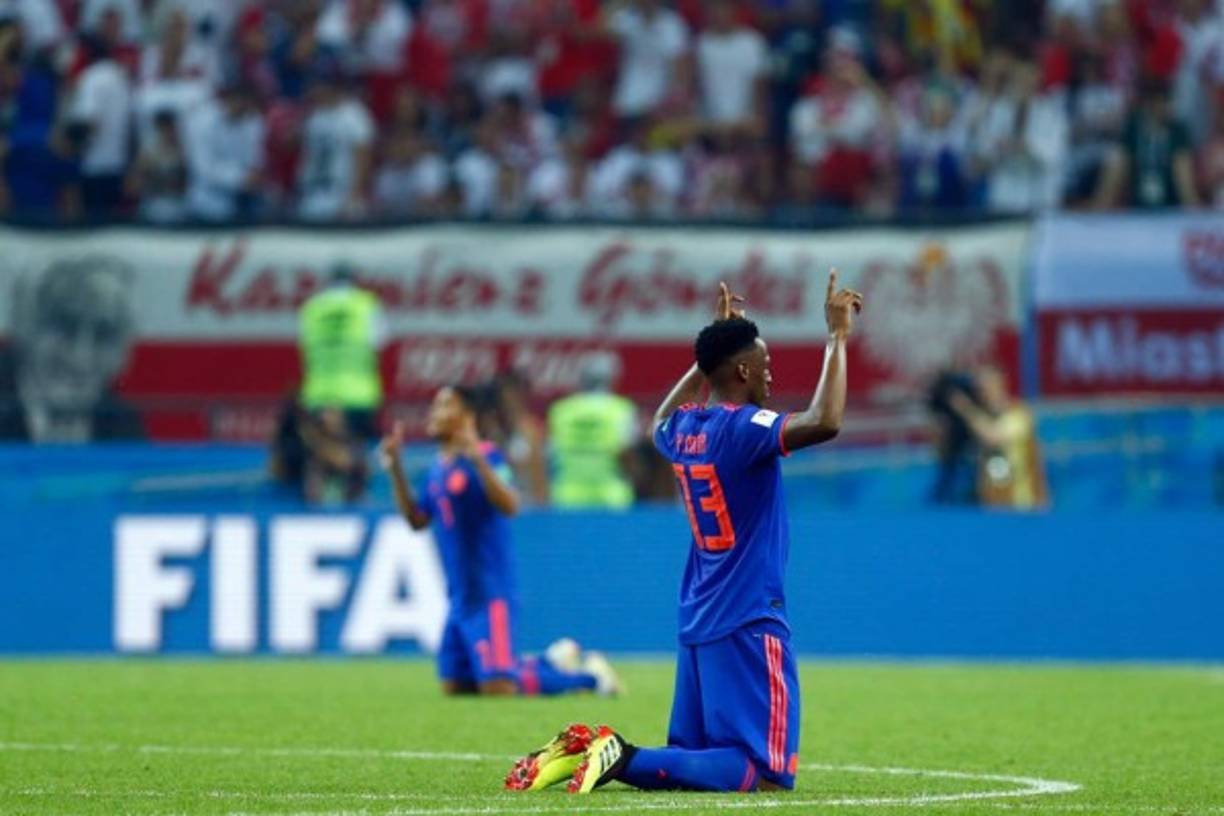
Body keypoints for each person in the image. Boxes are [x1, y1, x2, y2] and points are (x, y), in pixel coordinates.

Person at [508, 272, 863, 794]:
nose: (770, 376)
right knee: (764, 775)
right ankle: (620, 754)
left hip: (698, 616)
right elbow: (826, 420)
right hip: (748, 617)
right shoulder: (746, 429)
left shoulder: (687, 430)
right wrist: (836, 336)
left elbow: (657, 421)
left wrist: (705, 358)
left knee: (692, 760)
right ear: (743, 369)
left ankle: (599, 752)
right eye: (765, 365)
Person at [379, 386, 620, 699]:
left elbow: (510, 504)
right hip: (460, 600)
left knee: (498, 687)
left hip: (491, 595)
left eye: (445, 406)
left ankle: (590, 678)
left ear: (467, 417)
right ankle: (546, 662)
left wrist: (477, 459)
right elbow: (417, 520)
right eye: (435, 406)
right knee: (457, 687)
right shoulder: (438, 469)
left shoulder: (488, 456)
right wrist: (396, 468)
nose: (434, 414)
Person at [0, 255, 144, 442]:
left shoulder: (124, 426)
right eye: (65, 327)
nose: (81, 357)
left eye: (103, 335)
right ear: (26, 331)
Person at [298, 263, 385, 441]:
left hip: (320, 396)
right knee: (357, 459)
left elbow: (304, 348)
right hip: (358, 395)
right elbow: (379, 344)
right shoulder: (366, 305)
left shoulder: (312, 308)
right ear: (353, 281)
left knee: (324, 456)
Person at [948, 366, 1049, 511]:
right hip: (993, 503)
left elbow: (993, 436)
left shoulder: (1018, 413)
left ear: (1000, 384)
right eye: (980, 388)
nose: (984, 392)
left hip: (1023, 503)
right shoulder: (983, 416)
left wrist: (965, 408)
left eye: (988, 385)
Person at [546, 353, 637, 510]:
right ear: (611, 379)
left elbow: (550, 455)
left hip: (568, 496)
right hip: (611, 497)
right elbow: (625, 452)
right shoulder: (621, 409)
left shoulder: (561, 410)